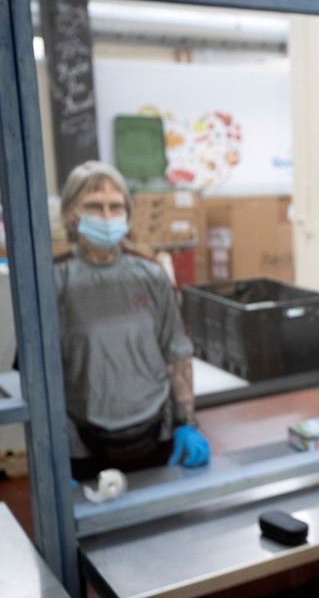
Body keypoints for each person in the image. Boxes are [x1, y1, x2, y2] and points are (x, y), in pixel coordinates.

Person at [57, 161, 210, 479]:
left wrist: (187, 423)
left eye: (115, 207)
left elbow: (177, 353)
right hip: (85, 442)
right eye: (94, 207)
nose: (107, 216)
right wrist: (53, 445)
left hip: (155, 432)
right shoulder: (55, 281)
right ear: (72, 212)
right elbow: (43, 375)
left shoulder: (150, 274)